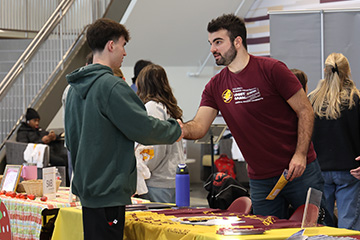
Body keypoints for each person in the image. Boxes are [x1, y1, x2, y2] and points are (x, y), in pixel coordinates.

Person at [182, 14, 325, 220]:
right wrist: (180, 129)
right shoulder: (215, 86)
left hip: (299, 171)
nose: (212, 49)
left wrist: (301, 154)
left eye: (218, 42)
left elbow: (305, 110)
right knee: (265, 232)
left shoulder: (272, 69)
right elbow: (199, 126)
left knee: (317, 231)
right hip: (261, 180)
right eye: (211, 43)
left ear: (237, 42)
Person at [64, 18, 182, 240]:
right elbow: (143, 128)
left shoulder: (73, 89)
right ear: (111, 45)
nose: (125, 53)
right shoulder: (111, 86)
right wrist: (176, 129)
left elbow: (70, 140)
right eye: (123, 45)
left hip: (87, 189)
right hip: (109, 191)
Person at [309, 53, 360, 230]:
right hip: (350, 170)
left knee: (321, 223)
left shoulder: (312, 100)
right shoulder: (355, 99)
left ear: (325, 71)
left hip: (319, 170)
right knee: (349, 222)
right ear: (348, 72)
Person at [136, 64, 185, 203]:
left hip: (158, 181)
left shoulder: (152, 107)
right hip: (172, 177)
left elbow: (156, 148)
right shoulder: (169, 107)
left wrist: (143, 171)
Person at [17, 108, 68, 174]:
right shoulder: (23, 132)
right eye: (35, 121)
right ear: (28, 121)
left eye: (38, 121)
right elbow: (25, 147)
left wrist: (53, 137)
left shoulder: (39, 130)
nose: (37, 123)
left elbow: (47, 134)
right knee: (61, 161)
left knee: (66, 158)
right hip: (38, 155)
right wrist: (41, 141)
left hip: (49, 152)